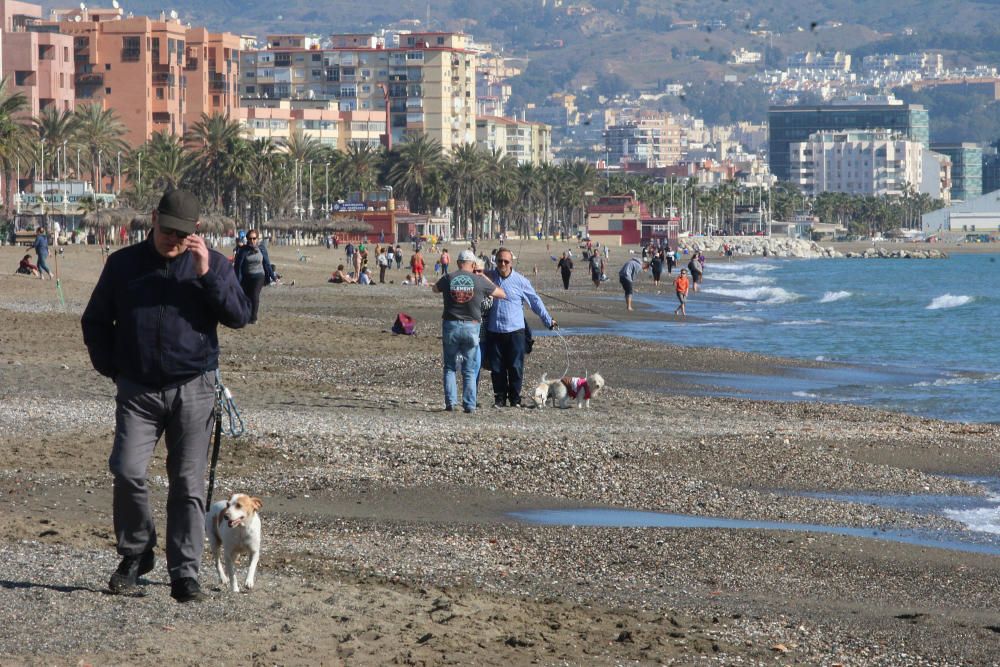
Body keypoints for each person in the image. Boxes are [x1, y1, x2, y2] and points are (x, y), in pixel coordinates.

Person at [81, 189, 251, 603]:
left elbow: (240, 316)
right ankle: (137, 554)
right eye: (166, 230)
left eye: (181, 235)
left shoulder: (212, 265)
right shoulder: (123, 264)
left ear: (195, 233)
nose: (171, 241)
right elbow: (95, 321)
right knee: (127, 470)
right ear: (153, 219)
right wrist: (114, 369)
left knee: (188, 485)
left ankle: (184, 573)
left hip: (194, 388)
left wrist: (208, 272)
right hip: (137, 390)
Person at [433, 250, 505, 413]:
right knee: (470, 368)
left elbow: (435, 289)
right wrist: (485, 279)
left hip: (451, 325)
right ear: (473, 264)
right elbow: (501, 294)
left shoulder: (449, 277)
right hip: (472, 326)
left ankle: (451, 402)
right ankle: (469, 404)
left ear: (458, 263)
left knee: (450, 367)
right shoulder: (479, 280)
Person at [485, 248, 556, 408]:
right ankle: (500, 399)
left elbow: (535, 301)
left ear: (511, 262)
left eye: (506, 261)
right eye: (499, 261)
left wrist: (548, 320)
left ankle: (515, 399)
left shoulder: (521, 281)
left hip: (516, 331)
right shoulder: (488, 277)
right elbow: (472, 276)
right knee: (497, 368)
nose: (502, 264)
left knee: (516, 366)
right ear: (495, 261)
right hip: (494, 330)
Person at [233, 229, 276, 324]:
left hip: (259, 275)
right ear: (247, 239)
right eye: (250, 238)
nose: (252, 240)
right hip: (246, 276)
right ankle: (247, 315)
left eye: (254, 238)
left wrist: (273, 277)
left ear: (257, 239)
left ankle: (254, 317)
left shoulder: (262, 249)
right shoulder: (243, 250)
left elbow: (267, 263)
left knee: (254, 295)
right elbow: (238, 266)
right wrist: (236, 279)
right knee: (246, 297)